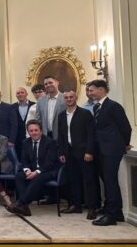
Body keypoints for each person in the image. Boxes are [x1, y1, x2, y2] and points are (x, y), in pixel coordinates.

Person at [89, 80, 132, 226]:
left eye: (92, 90)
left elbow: (126, 128)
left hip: (112, 150)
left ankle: (111, 216)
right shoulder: (96, 107)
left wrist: (124, 144)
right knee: (108, 182)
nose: (90, 93)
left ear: (101, 90)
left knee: (110, 182)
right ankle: (117, 213)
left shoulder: (114, 106)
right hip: (101, 150)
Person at [57, 91, 97, 219]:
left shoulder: (85, 113)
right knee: (73, 180)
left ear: (76, 98)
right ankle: (76, 205)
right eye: (66, 97)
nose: (69, 99)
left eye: (71, 97)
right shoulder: (61, 116)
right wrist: (61, 152)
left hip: (84, 152)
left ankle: (92, 208)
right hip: (69, 153)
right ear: (64, 100)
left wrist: (89, 151)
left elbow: (91, 134)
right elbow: (61, 136)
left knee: (89, 180)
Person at [6, 119, 59, 217]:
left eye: (36, 130)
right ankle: (25, 208)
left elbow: (50, 163)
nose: (34, 133)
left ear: (41, 131)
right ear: (28, 132)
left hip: (48, 171)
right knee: (19, 176)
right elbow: (24, 160)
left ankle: (20, 203)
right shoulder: (25, 142)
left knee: (37, 177)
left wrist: (36, 172)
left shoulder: (50, 142)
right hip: (33, 170)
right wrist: (27, 170)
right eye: (31, 131)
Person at [36, 75, 65, 141]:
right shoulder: (40, 101)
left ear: (57, 82)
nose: (48, 85)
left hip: (62, 136)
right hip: (45, 137)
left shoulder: (65, 98)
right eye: (46, 84)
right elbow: (38, 120)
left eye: (50, 82)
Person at [11, 87, 35, 156]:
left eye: (22, 92)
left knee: (31, 156)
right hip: (17, 138)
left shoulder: (34, 105)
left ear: (26, 94)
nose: (20, 94)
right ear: (16, 95)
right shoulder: (12, 107)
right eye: (18, 93)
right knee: (18, 157)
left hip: (31, 136)